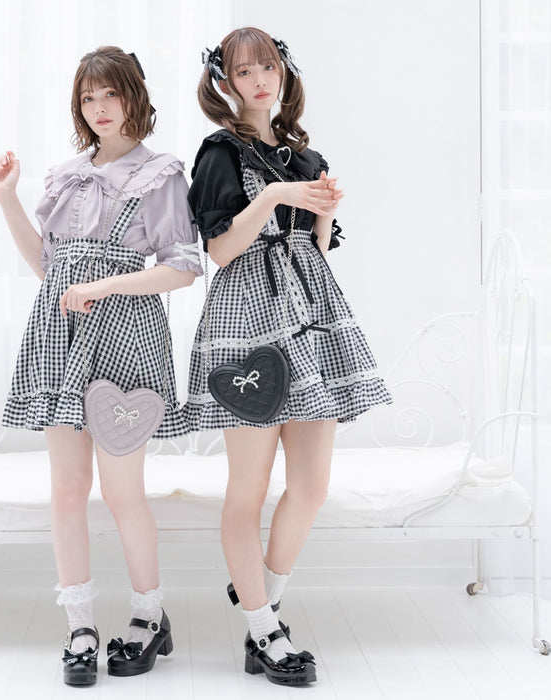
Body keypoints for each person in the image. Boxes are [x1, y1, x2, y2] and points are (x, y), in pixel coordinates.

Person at [181, 27, 394, 686]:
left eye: (267, 67)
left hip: (310, 319)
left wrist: (323, 212)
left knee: (310, 486)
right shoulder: (220, 153)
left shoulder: (305, 156)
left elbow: (315, 251)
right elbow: (221, 251)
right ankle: (266, 633)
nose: (258, 81)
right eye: (244, 71)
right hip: (247, 322)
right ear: (225, 82)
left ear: (283, 73)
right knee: (247, 491)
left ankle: (260, 606)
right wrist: (273, 197)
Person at [0, 46, 203, 686]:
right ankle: (80, 626)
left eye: (110, 94)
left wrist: (103, 287)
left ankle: (148, 616)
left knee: (120, 490)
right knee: (66, 489)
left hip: (126, 336)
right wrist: (6, 199)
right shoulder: (66, 176)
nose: (100, 107)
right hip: (60, 336)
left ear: (134, 96)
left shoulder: (160, 174)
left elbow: (182, 269)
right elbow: (49, 266)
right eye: (88, 97)